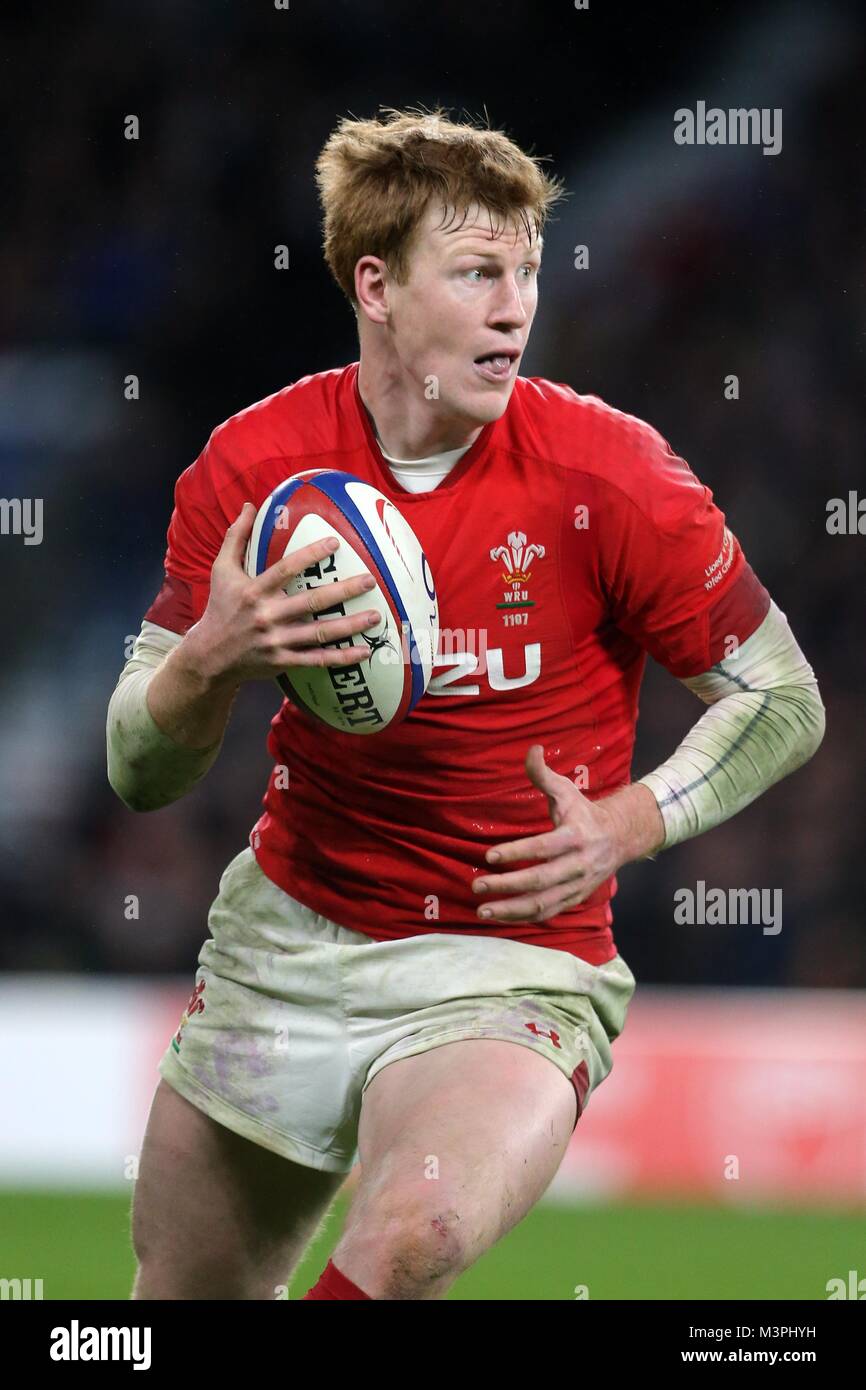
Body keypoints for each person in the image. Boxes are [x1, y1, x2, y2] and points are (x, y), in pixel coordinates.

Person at [106, 107, 825, 1301]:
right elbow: (138, 771)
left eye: (527, 272)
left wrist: (631, 820)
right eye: (479, 271)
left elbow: (782, 696)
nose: (515, 306)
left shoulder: (612, 474)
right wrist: (205, 662)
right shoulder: (254, 468)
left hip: (510, 963)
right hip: (290, 938)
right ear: (376, 285)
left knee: (413, 1235)